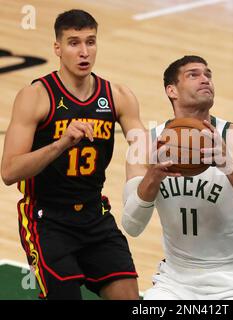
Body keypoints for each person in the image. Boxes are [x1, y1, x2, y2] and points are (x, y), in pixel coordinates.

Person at [1, 9, 144, 300]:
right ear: (57, 48)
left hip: (95, 215)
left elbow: (141, 145)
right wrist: (60, 144)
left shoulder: (117, 95)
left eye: (90, 42)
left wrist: (172, 150)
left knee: (129, 296)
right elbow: (9, 172)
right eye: (73, 42)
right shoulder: (36, 96)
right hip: (46, 219)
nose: (84, 52)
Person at [121, 55, 233, 300]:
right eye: (193, 75)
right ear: (171, 90)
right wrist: (153, 176)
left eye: (208, 74)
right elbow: (132, 226)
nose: (205, 79)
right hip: (174, 280)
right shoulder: (145, 143)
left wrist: (229, 166)